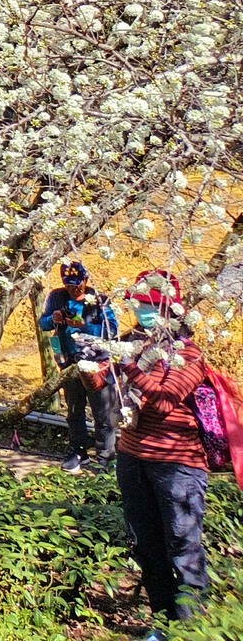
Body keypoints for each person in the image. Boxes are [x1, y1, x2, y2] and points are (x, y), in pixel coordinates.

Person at [115, 271, 214, 634]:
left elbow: (167, 399)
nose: (141, 312)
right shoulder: (134, 344)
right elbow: (104, 383)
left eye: (147, 306)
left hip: (176, 465)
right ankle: (161, 622)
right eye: (138, 305)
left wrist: (129, 366)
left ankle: (191, 627)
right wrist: (91, 367)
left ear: (168, 309)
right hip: (132, 456)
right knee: (147, 545)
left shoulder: (187, 353)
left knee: (183, 546)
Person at [42, 259, 120, 472]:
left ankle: (106, 456)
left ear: (86, 280)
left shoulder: (99, 300)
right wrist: (54, 318)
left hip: (96, 364)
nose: (73, 288)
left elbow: (112, 331)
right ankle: (78, 451)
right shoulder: (57, 297)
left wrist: (84, 326)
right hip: (70, 362)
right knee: (74, 410)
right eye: (69, 284)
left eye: (77, 283)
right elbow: (43, 323)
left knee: (102, 412)